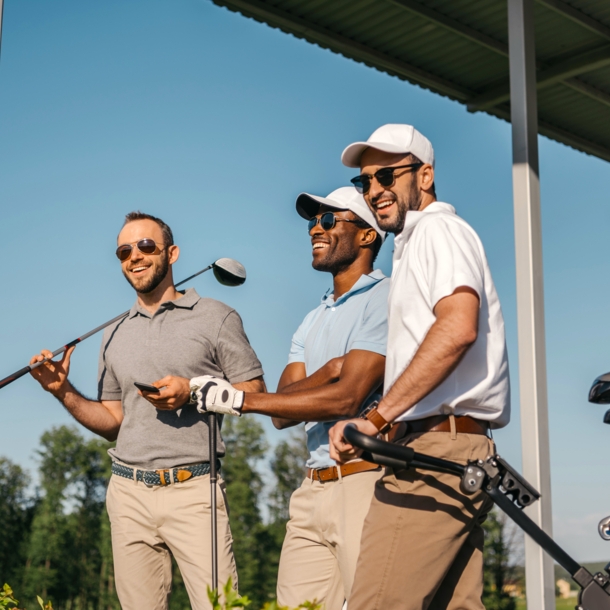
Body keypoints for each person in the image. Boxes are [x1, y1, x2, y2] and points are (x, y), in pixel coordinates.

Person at [29, 211, 265, 610]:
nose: (134, 257)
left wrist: (192, 391)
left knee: (221, 607)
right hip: (127, 492)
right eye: (124, 251)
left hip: (195, 489)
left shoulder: (217, 316)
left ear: (171, 253)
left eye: (145, 246)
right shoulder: (113, 332)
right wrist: (61, 390)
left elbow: (253, 391)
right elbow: (112, 422)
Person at [329, 124, 510, 610]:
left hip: (435, 451)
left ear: (424, 175)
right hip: (455, 449)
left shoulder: (437, 230)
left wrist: (375, 418)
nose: (375, 191)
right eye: (365, 182)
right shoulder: (416, 242)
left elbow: (457, 329)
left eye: (387, 176)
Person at [191, 187, 389, 610]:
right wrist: (330, 370)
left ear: (368, 235)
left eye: (329, 220)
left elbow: (346, 398)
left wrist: (240, 400)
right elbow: (283, 410)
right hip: (311, 489)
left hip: (367, 482)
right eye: (313, 222)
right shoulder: (312, 319)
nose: (316, 229)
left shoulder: (387, 298)